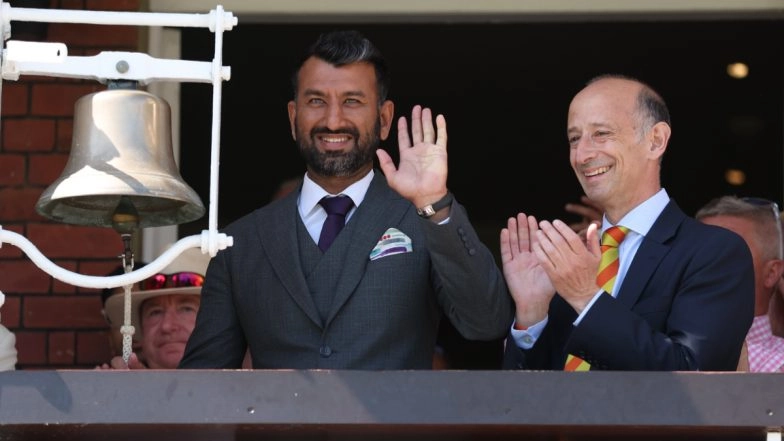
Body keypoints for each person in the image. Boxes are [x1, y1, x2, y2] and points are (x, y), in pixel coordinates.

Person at [178, 30, 513, 370]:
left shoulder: (425, 218)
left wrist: (433, 202)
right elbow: (203, 382)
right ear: (293, 119)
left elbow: (487, 323)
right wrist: (141, 395)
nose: (333, 120)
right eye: (316, 101)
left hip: (395, 424)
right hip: (279, 424)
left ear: (383, 119)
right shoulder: (241, 244)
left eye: (352, 101)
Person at [500, 74, 754, 371]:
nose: (582, 155)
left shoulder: (714, 252)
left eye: (602, 134)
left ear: (655, 141)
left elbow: (693, 380)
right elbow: (524, 403)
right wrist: (532, 312)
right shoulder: (569, 261)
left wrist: (587, 298)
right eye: (574, 139)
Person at [695, 196, 784, 372]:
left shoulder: (779, 363)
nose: (706, 264)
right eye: (697, 252)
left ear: (772, 273)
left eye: (728, 252)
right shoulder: (658, 347)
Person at [98, 248, 210, 369]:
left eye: (186, 309)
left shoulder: (233, 385)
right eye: (155, 312)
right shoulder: (112, 386)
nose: (166, 326)